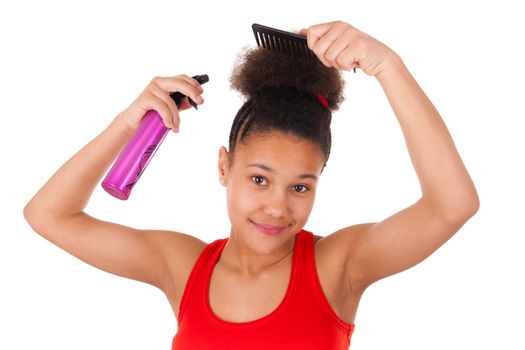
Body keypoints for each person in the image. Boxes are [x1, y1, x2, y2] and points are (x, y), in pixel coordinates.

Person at [23, 20, 479, 349]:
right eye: (259, 179)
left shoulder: (339, 266)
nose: (277, 208)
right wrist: (127, 123)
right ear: (224, 167)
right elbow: (48, 215)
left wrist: (388, 67)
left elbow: (452, 205)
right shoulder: (182, 268)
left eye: (301, 187)